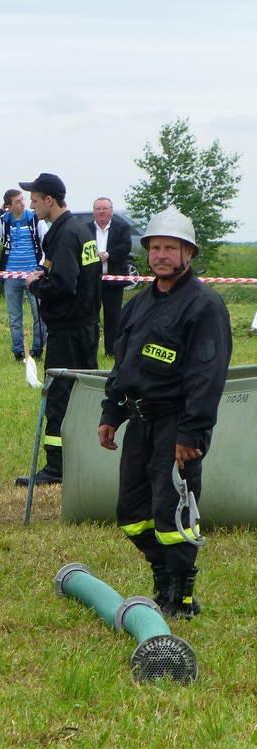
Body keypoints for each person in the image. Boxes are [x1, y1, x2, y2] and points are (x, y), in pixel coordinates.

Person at [98, 207, 231, 620]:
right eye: (155, 247)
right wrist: (111, 412)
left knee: (175, 514)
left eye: (171, 247)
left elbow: (207, 377)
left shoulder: (204, 306)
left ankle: (181, 598)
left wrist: (190, 434)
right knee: (132, 515)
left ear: (188, 253)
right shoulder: (138, 305)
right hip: (140, 423)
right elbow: (124, 365)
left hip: (178, 425)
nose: (162, 255)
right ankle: (164, 582)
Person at [16, 173, 101, 486]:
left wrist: (38, 284)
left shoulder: (64, 234)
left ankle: (56, 468)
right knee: (84, 393)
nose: (33, 206)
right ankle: (86, 458)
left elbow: (64, 284)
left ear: (49, 200)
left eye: (35, 200)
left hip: (68, 330)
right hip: (88, 327)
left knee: (59, 395)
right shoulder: (82, 231)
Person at [0, 189, 48, 361]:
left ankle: (38, 350)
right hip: (11, 276)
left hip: (32, 275)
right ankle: (18, 352)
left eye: (22, 200)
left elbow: (47, 242)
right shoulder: (4, 222)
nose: (23, 203)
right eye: (17, 201)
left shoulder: (35, 219)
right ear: (9, 205)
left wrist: (41, 267)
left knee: (39, 314)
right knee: (14, 316)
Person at [90, 197, 133, 356]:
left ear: (111, 211)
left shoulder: (122, 227)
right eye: (98, 209)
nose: (101, 212)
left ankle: (112, 351)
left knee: (113, 317)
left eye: (105, 208)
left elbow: (126, 246)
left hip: (114, 280)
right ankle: (91, 349)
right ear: (94, 212)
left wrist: (109, 255)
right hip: (93, 282)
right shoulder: (86, 228)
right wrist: (96, 255)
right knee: (92, 316)